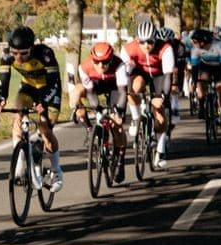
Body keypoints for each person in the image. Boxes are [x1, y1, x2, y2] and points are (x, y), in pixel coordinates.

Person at [0, 24, 63, 190]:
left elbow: (53, 83)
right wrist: (1, 100)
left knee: (45, 128)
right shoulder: (6, 56)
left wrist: (43, 103)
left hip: (49, 89)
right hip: (29, 87)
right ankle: (19, 162)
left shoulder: (45, 54)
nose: (18, 57)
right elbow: (4, 79)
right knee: (18, 114)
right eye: (14, 53)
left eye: (23, 53)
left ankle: (56, 169)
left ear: (32, 48)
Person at [122, 25, 177, 167]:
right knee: (133, 87)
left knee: (158, 108)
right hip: (141, 73)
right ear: (137, 40)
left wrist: (162, 96)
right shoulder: (128, 48)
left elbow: (167, 76)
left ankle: (160, 148)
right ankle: (135, 118)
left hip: (159, 75)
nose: (146, 45)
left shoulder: (165, 49)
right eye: (142, 41)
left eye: (150, 42)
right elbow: (124, 74)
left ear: (155, 39)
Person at [74, 39, 130, 158]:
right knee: (77, 91)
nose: (101, 65)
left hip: (115, 87)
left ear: (111, 59)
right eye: (97, 61)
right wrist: (97, 109)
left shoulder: (119, 65)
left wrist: (118, 111)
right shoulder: (84, 67)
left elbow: (122, 92)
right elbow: (90, 92)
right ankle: (90, 129)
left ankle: (119, 158)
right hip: (96, 86)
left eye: (105, 62)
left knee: (116, 126)